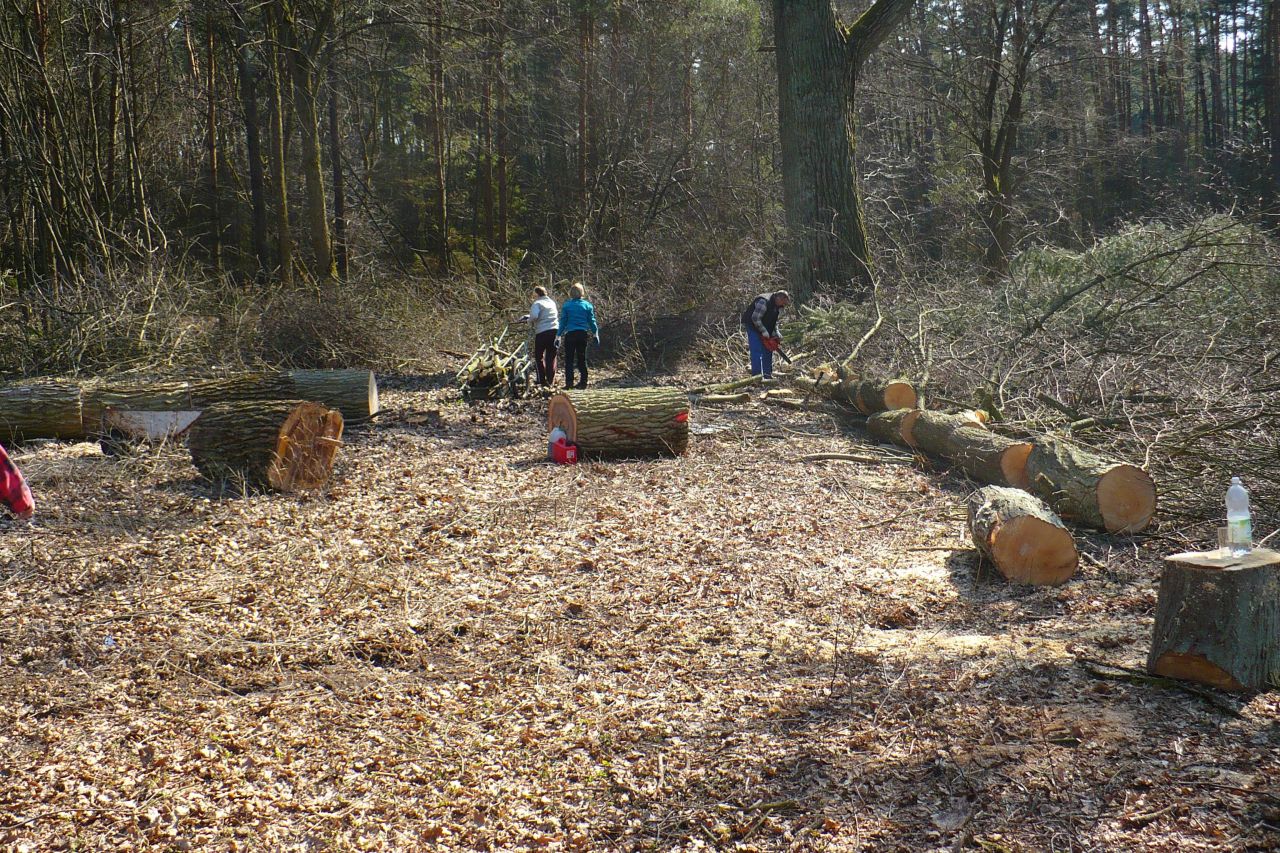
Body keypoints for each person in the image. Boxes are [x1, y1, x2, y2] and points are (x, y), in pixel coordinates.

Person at [741, 290, 791, 379]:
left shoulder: (778, 306)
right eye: (782, 303)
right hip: (752, 325)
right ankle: (757, 376)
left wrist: (776, 332)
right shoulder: (764, 301)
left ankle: (767, 374)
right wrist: (764, 331)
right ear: (779, 298)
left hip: (765, 324)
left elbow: (774, 321)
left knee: (768, 349)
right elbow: (755, 318)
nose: (783, 305)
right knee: (757, 350)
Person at [558, 281, 599, 389]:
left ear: (571, 293)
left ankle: (569, 383)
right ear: (582, 292)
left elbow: (563, 322)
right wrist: (595, 333)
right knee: (582, 358)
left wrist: (558, 335)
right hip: (582, 334)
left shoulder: (567, 306)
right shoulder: (587, 305)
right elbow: (592, 321)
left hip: (570, 334)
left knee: (569, 359)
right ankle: (583, 382)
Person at [519, 285, 559, 387]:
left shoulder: (537, 303)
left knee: (539, 357)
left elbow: (535, 316)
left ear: (536, 294)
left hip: (542, 332)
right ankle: (551, 381)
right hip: (554, 331)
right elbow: (545, 314)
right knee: (551, 356)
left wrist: (528, 320)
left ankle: (541, 379)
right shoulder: (551, 302)